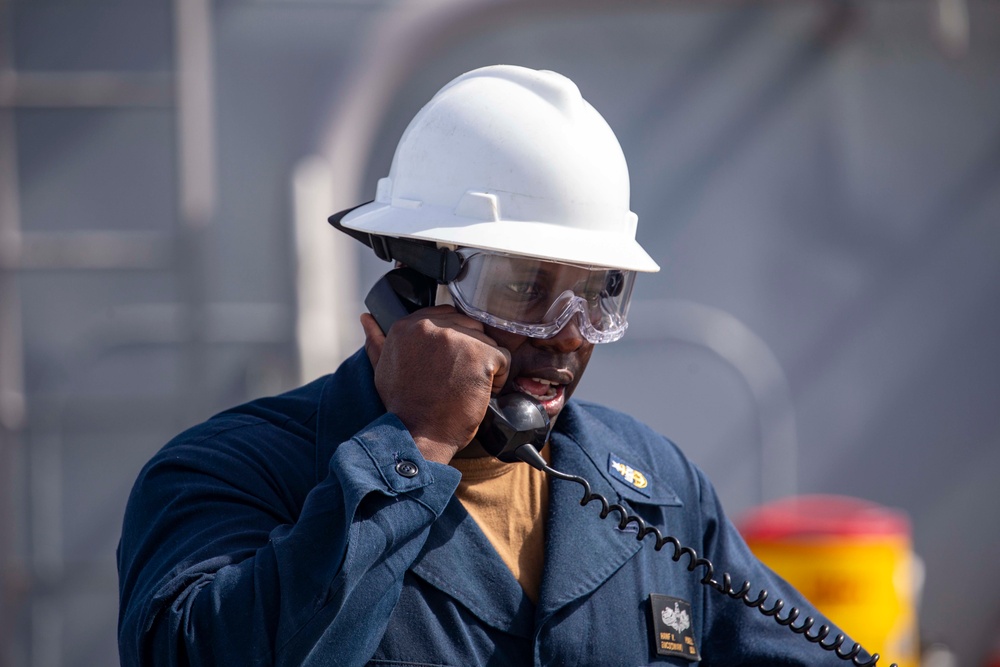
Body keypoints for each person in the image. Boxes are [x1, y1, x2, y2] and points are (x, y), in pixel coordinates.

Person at [118, 65, 863, 666]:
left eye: (596, 296)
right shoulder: (231, 474)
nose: (568, 337)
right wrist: (411, 447)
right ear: (413, 290)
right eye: (524, 290)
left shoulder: (655, 488)